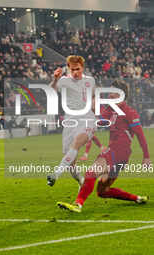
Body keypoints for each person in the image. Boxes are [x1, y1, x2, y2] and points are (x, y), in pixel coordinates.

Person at [57, 80, 151, 213]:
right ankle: (137, 198)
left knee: (90, 173)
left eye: (113, 92)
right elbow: (97, 119)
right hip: (120, 156)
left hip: (118, 151)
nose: (110, 95)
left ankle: (78, 204)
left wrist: (146, 157)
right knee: (102, 191)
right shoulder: (111, 110)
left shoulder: (129, 112)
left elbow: (140, 135)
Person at [47, 55, 96, 187]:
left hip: (87, 119)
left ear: (82, 67)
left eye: (78, 69)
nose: (75, 72)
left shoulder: (90, 80)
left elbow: (93, 96)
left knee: (75, 144)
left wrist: (95, 107)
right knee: (71, 162)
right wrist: (55, 79)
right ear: (68, 68)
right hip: (70, 121)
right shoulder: (63, 81)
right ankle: (81, 181)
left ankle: (55, 175)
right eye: (72, 69)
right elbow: (51, 90)